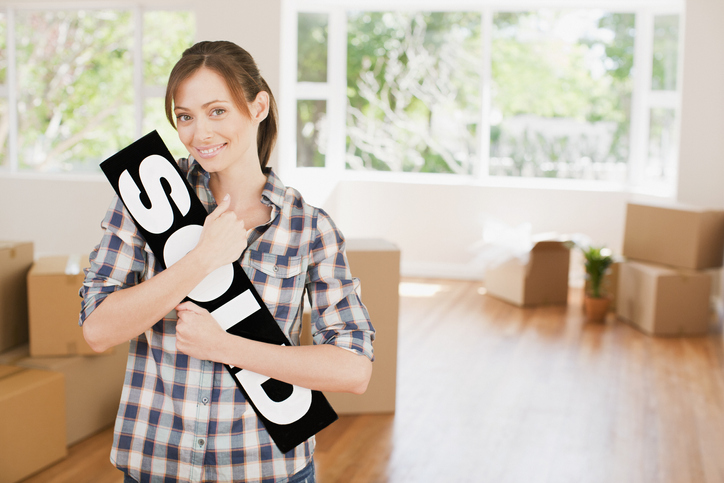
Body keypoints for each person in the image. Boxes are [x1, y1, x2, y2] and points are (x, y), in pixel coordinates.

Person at [79, 40, 375, 483]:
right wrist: (201, 260)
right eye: (185, 116)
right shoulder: (147, 198)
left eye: (217, 111)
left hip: (266, 469)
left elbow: (354, 369)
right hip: (158, 467)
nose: (200, 134)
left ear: (258, 107)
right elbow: (98, 331)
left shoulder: (309, 228)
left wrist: (227, 347)